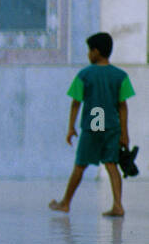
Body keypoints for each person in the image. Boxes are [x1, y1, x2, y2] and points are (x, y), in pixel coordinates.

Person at [50, 31, 134, 218]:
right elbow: (123, 106)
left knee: (80, 165)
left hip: (92, 126)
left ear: (96, 51)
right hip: (111, 126)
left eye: (89, 50)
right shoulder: (120, 76)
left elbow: (76, 102)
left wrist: (71, 127)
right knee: (111, 164)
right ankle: (118, 205)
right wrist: (124, 133)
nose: (88, 54)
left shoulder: (85, 74)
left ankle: (65, 202)